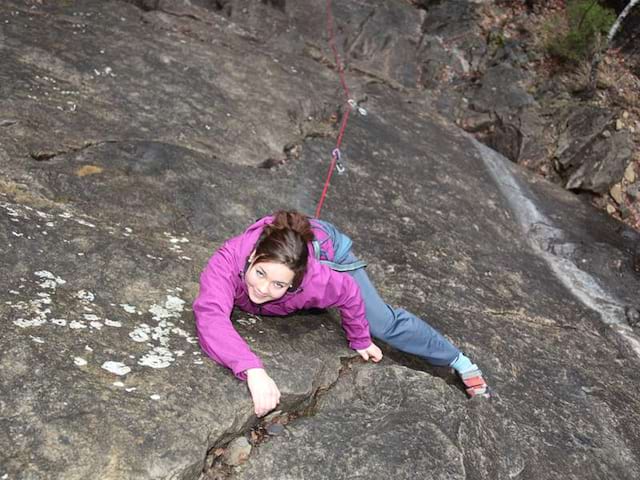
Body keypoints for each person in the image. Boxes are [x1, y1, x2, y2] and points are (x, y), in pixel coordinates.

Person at [194, 211, 490, 417]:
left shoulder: (316, 279)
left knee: (382, 324)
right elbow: (211, 316)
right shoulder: (227, 262)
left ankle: (457, 360)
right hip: (288, 242)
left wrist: (360, 338)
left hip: (328, 249)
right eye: (259, 273)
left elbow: (348, 292)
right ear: (253, 256)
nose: (262, 288)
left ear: (295, 281)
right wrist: (252, 371)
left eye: (279, 285)